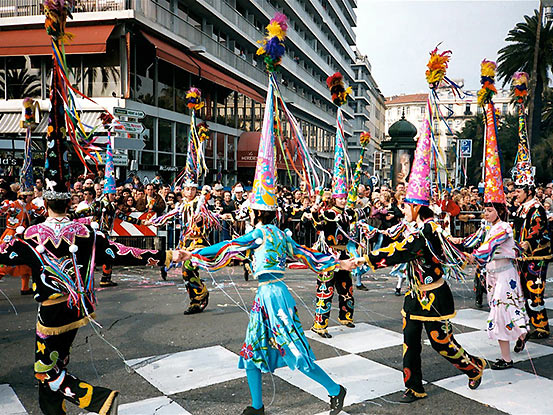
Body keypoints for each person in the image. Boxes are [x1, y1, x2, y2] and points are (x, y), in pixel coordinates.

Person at [181, 76, 351, 414]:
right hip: (267, 297)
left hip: (271, 296)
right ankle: (257, 408)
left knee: (294, 354)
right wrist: (340, 263)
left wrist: (193, 253)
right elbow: (311, 256)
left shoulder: (259, 234)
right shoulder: (284, 236)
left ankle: (334, 388)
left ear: (257, 213)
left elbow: (228, 245)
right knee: (254, 352)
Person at [358, 118, 485, 402]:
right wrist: (372, 239)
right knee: (410, 343)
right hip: (415, 295)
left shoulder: (427, 232)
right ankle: (414, 386)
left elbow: (399, 251)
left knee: (442, 343)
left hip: (434, 295)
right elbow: (394, 238)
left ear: (417, 207)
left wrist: (364, 260)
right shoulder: (415, 228)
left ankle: (473, 367)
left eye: (406, 205)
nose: (402, 208)